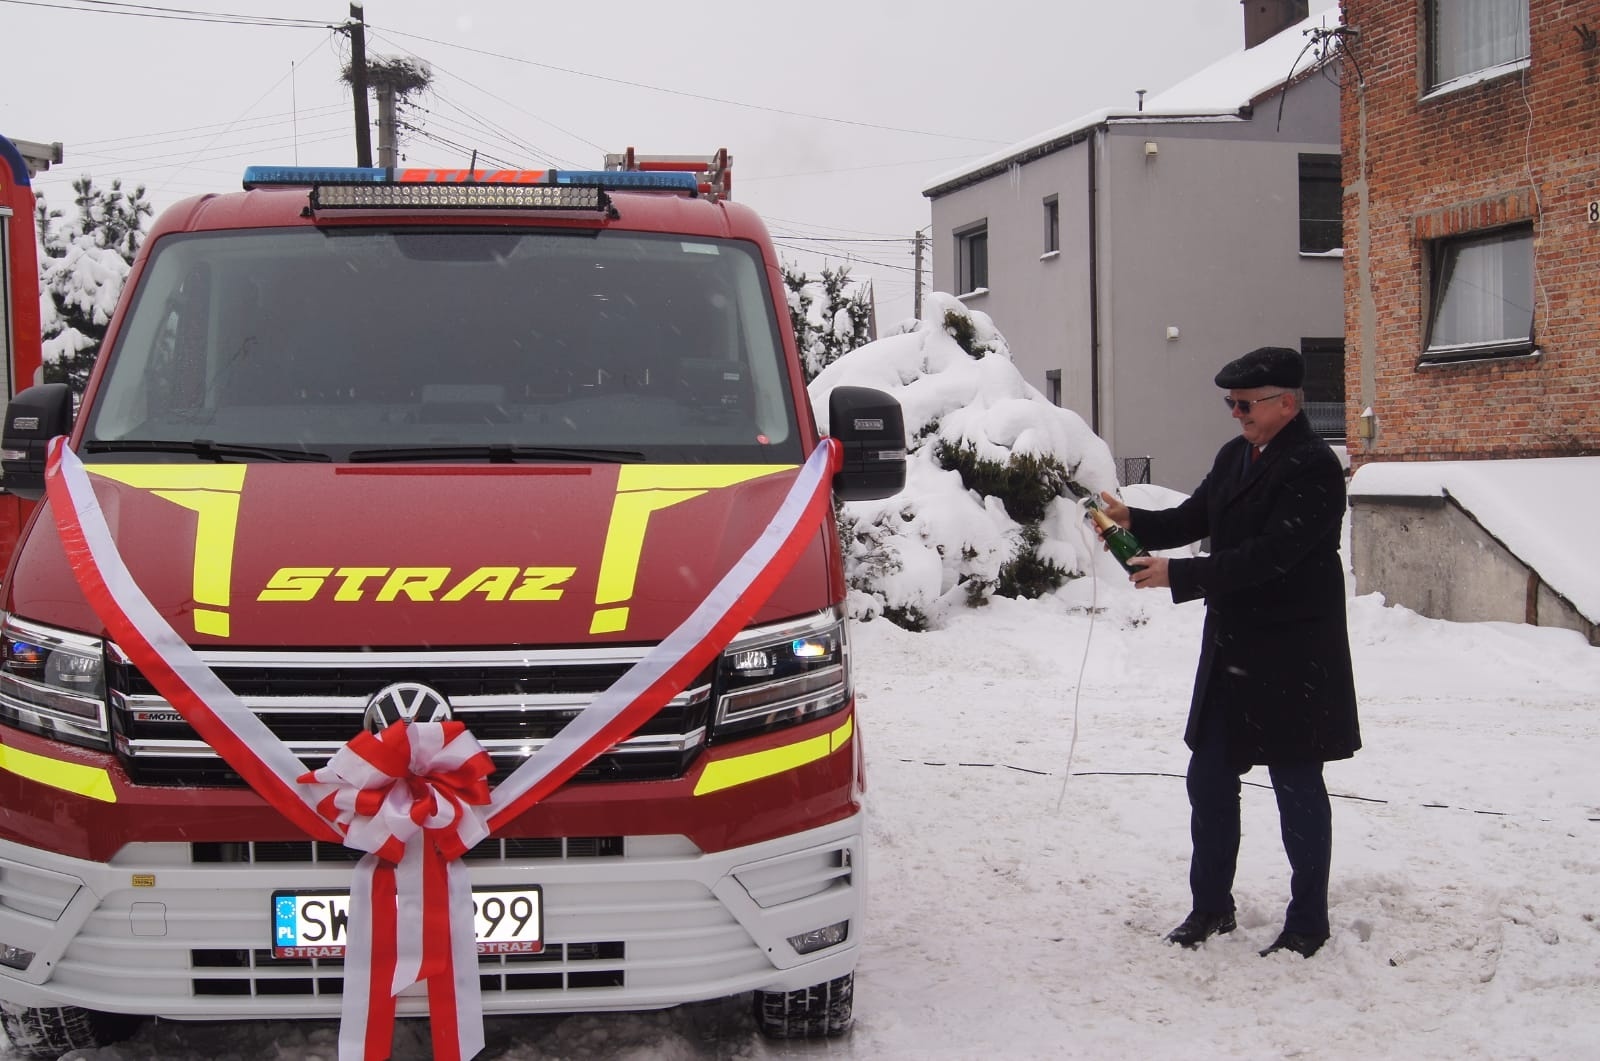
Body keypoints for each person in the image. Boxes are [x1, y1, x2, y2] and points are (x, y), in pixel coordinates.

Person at [1097, 345, 1359, 959]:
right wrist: (1129, 516)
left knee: (1296, 783)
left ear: (1286, 403)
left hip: (1294, 652)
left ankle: (1308, 922)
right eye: (1230, 403)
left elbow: (1274, 555)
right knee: (1209, 779)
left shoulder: (1315, 467)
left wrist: (1180, 578)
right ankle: (1212, 907)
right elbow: (1194, 516)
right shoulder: (1236, 455)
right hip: (1234, 650)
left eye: (1245, 403)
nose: (1235, 413)